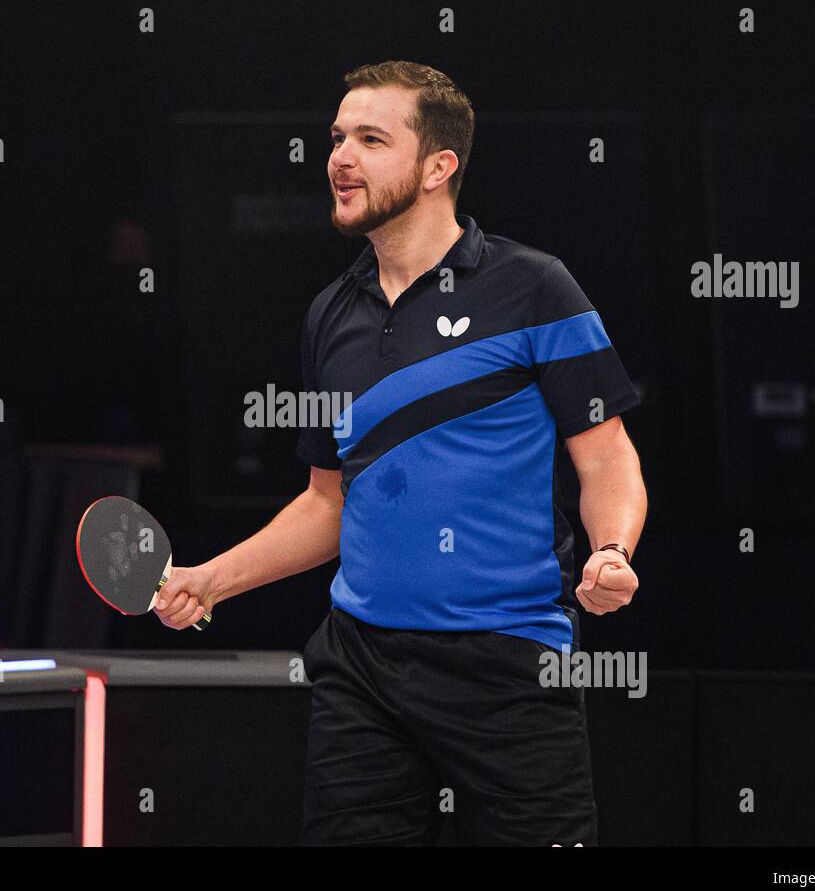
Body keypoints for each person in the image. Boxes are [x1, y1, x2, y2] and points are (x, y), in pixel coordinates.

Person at [154, 60, 647, 845]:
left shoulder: (536, 288)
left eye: (371, 139)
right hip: (362, 670)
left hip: (510, 666)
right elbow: (328, 501)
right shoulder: (329, 314)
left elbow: (607, 456)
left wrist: (613, 550)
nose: (339, 157)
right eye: (337, 137)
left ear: (437, 167)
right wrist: (212, 579)